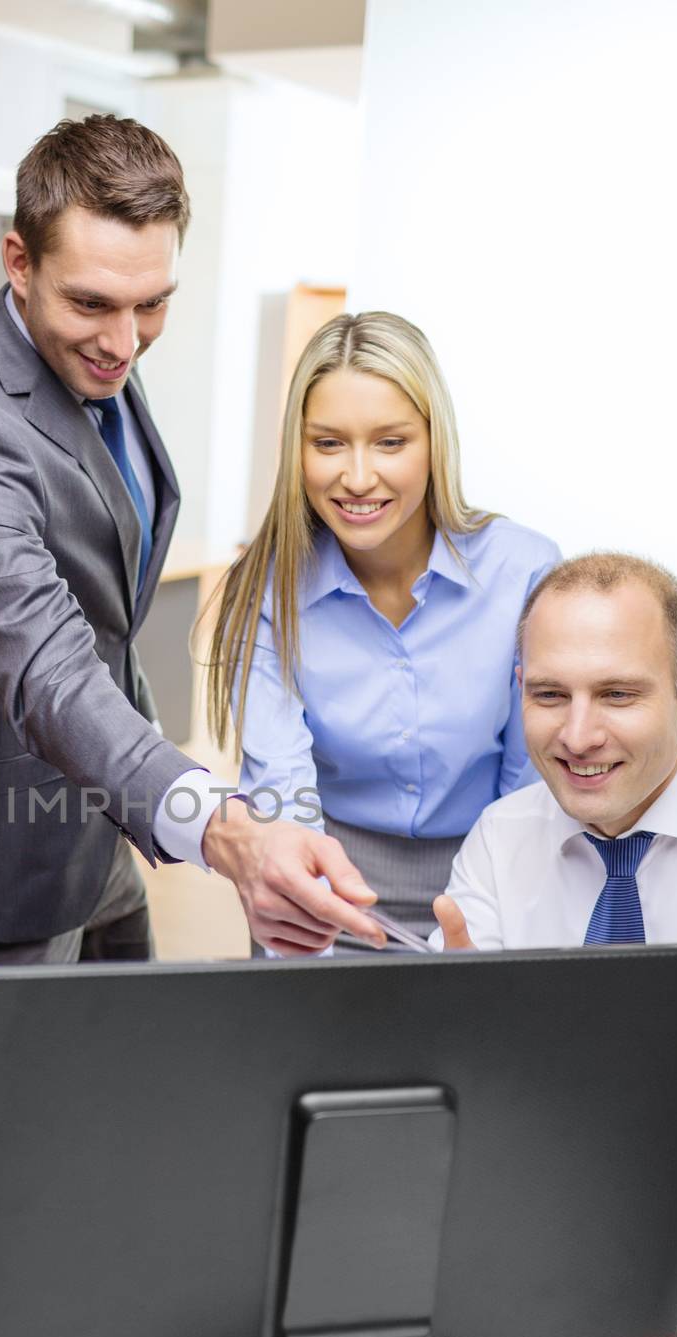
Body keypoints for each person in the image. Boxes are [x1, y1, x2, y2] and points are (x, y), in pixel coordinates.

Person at [0, 115, 388, 1011]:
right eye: (92, 303)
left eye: (152, 304)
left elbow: (108, 617)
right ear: (19, 262)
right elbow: (46, 666)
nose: (124, 341)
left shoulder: (98, 357)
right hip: (0, 859)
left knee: (121, 1099)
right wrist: (230, 833)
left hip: (107, 832)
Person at [207, 311, 561, 945]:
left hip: (495, 883)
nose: (359, 477)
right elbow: (283, 790)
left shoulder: (525, 571)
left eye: (391, 442)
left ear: (435, 443)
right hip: (322, 887)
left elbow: (528, 792)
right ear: (299, 449)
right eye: (328, 443)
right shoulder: (264, 589)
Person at [432, 553, 677, 951]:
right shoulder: (500, 837)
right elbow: (464, 1003)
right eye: (550, 695)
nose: (578, 738)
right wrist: (458, 1003)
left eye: (617, 695)